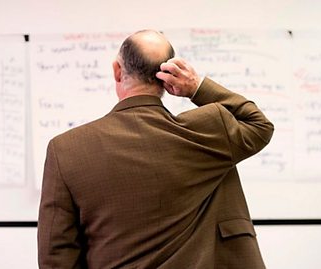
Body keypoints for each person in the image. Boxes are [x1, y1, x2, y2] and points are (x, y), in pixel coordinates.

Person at [37, 29, 274, 268]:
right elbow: (259, 124)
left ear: (117, 71)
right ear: (168, 75)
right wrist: (196, 87)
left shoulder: (66, 149)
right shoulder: (206, 133)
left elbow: (56, 255)